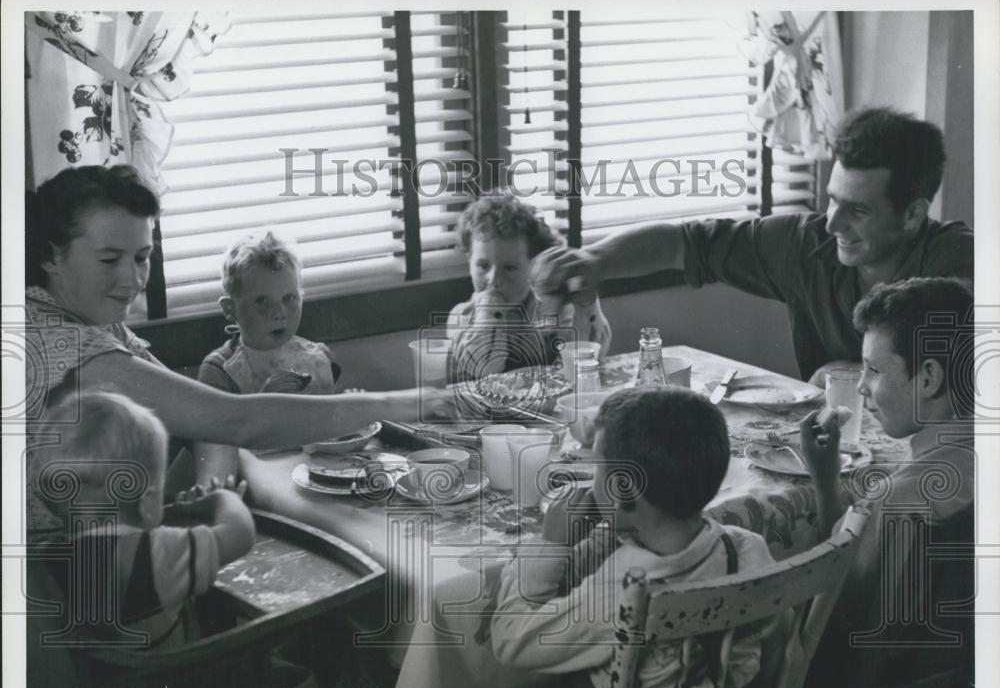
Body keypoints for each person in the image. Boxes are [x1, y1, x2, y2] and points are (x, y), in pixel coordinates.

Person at [23, 165, 454, 543]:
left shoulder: (93, 320)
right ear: (51, 256)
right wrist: (401, 401)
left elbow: (201, 419)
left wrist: (215, 487)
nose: (132, 279)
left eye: (142, 257)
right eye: (109, 259)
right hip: (54, 576)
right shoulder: (56, 343)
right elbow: (236, 418)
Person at [527, 107, 974, 382]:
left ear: (913, 214)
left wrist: (844, 373)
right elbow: (687, 245)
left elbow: (960, 371)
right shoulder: (804, 244)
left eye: (857, 210)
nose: (832, 222)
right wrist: (594, 261)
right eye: (832, 199)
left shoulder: (959, 262)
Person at [489, 387, 776, 688]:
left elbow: (510, 640)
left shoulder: (621, 591)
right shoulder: (747, 547)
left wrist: (551, 543)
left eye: (597, 470)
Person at [789, 276, 975, 688]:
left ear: (930, 378)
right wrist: (833, 486)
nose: (864, 389)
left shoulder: (895, 503)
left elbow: (825, 625)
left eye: (873, 370)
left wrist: (825, 489)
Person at [447, 193, 611, 382]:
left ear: (533, 267)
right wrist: (489, 310)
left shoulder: (550, 307)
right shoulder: (463, 316)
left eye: (509, 268)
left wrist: (585, 305)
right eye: (483, 266)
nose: (494, 280)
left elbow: (588, 357)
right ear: (469, 261)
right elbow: (487, 368)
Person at [198, 228, 341, 395]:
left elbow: (332, 415)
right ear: (230, 309)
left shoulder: (317, 357)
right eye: (262, 301)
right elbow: (220, 422)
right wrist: (264, 401)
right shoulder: (218, 370)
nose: (279, 312)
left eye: (289, 298)